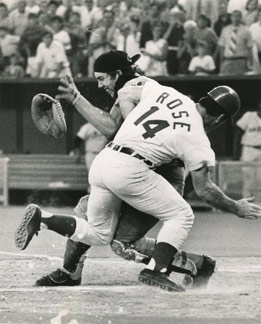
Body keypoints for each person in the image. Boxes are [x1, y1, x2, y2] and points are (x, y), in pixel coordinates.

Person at [15, 51, 261, 292]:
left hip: (114, 162)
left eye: (102, 79)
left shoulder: (162, 91)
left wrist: (83, 99)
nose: (101, 85)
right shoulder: (197, 137)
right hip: (136, 169)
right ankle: (148, 269)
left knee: (112, 238)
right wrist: (236, 207)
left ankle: (44, 219)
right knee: (181, 215)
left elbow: (123, 104)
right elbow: (205, 189)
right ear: (219, 120)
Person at [233, 97, 261, 199]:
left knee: (260, 180)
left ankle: (259, 204)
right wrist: (236, 153)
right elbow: (238, 133)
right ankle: (247, 202)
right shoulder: (249, 116)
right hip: (249, 149)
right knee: (248, 179)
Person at [70, 122, 109, 193]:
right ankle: (91, 195)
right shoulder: (88, 126)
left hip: (104, 154)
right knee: (93, 176)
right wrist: (77, 152)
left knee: (104, 177)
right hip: (91, 153)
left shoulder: (106, 126)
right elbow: (78, 139)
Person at [218, 10, 254, 75]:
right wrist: (221, 61)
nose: (235, 18)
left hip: (240, 60)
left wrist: (250, 62)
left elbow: (249, 48)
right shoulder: (225, 30)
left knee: (239, 81)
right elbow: (221, 46)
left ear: (240, 18)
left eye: (238, 16)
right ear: (231, 17)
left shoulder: (246, 31)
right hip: (227, 60)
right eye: (234, 16)